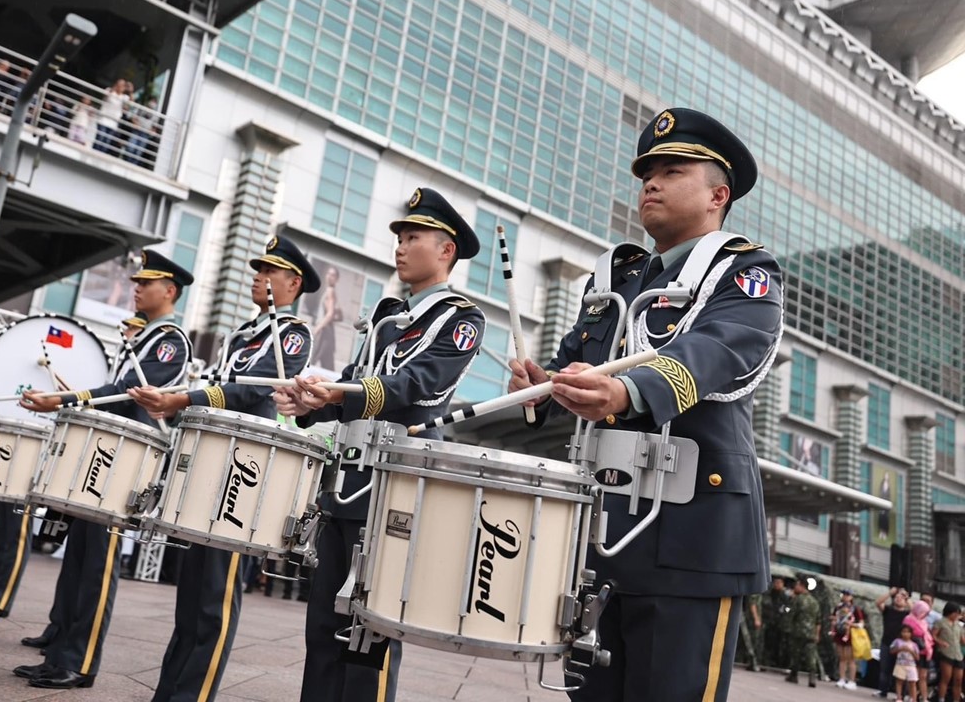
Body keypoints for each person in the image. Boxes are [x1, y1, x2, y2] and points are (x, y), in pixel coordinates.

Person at [506, 108, 782, 701]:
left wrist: (628, 391)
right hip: (604, 534)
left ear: (718, 194)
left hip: (692, 537)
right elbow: (580, 366)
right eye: (646, 173)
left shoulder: (747, 272)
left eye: (672, 170)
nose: (650, 182)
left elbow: (719, 353)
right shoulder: (618, 277)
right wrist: (542, 390)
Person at [273, 189, 485, 702]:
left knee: (371, 638)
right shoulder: (387, 317)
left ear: (446, 251)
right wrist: (311, 404)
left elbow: (421, 387)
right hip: (346, 489)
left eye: (413, 237)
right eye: (400, 237)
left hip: (395, 493)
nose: (401, 246)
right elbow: (353, 382)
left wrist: (340, 391)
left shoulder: (459, 317)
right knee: (323, 632)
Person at [129, 234, 318, 702]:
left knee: (215, 593)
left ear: (293, 283)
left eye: (269, 271)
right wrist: (173, 406)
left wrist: (182, 398)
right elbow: (218, 386)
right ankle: (169, 691)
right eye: (258, 269)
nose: (258, 276)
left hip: (245, 471)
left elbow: (253, 391)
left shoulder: (293, 333)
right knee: (191, 592)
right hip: (212, 461)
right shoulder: (242, 335)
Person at [17, 250, 195, 690]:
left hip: (127, 458)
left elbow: (127, 393)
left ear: (169, 290)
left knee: (99, 560)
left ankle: (80, 662)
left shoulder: (170, 339)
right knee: (78, 558)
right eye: (136, 282)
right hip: (107, 450)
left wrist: (63, 399)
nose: (136, 288)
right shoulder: (145, 336)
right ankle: (60, 651)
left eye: (146, 283)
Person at [877, 587, 914, 699]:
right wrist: (890, 593)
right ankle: (883, 691)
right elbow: (878, 602)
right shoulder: (888, 610)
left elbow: (914, 611)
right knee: (884, 669)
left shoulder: (907, 614)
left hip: (901, 646)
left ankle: (901, 695)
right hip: (886, 642)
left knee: (901, 671)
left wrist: (907, 598)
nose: (898, 599)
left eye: (901, 598)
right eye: (896, 597)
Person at [786, 575, 821, 688]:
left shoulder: (798, 599)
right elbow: (818, 620)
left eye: (797, 585)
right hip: (811, 633)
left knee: (795, 654)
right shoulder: (815, 602)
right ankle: (812, 677)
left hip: (798, 632)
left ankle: (794, 675)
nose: (795, 587)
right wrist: (817, 634)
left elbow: (791, 614)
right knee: (811, 656)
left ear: (801, 586)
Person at [831, 588, 866, 688]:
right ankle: (841, 678)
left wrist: (852, 624)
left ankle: (852, 681)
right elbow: (833, 617)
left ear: (851, 597)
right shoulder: (838, 607)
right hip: (839, 633)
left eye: (847, 595)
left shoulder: (855, 609)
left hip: (851, 635)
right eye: (844, 595)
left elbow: (861, 623)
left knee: (850, 658)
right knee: (841, 657)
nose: (845, 597)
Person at [310, 265, 341, 369]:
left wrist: (317, 328)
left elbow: (330, 314)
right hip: (328, 333)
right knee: (327, 366)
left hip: (324, 333)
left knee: (311, 360)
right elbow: (339, 316)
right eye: (328, 274)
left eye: (332, 275)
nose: (329, 276)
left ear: (336, 279)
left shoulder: (330, 291)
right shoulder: (331, 291)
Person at [905, 600, 935, 702]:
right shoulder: (909, 619)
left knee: (923, 676)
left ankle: (924, 698)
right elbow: (907, 633)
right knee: (913, 676)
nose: (924, 614)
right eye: (923, 612)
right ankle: (911, 696)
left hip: (925, 652)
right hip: (914, 650)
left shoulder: (924, 622)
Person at [934, 601, 964, 702]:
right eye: (954, 613)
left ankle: (956, 699)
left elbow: (962, 640)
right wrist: (940, 642)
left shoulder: (958, 625)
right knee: (946, 678)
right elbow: (933, 635)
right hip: (946, 653)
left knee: (958, 680)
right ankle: (941, 698)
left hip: (958, 653)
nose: (956, 615)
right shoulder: (940, 622)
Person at [893, 624, 922, 702]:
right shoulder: (897, 641)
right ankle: (899, 697)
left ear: (911, 634)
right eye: (904, 632)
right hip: (900, 664)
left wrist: (911, 651)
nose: (906, 634)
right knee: (899, 681)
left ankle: (914, 699)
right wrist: (899, 649)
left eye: (908, 632)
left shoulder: (914, 645)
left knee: (912, 682)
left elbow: (917, 657)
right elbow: (892, 651)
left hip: (911, 665)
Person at [739, 593, 763, 671]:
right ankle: (753, 663)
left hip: (750, 619)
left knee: (751, 642)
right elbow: (753, 605)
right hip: (750, 620)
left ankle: (753, 663)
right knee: (749, 642)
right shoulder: (755, 592)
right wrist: (756, 619)